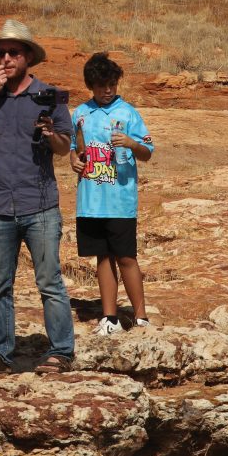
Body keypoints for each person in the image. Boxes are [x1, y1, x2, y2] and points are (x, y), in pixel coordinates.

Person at [0, 18, 75, 373]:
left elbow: (62, 148)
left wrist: (49, 132)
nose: (7, 59)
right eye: (2, 54)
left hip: (39, 205)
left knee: (49, 282)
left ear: (28, 57)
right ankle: (0, 352)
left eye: (14, 52)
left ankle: (60, 351)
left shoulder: (48, 96)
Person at [69, 52, 155, 335]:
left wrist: (131, 143)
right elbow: (74, 146)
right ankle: (111, 318)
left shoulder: (128, 113)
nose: (108, 90)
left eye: (112, 84)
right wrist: (73, 158)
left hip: (120, 201)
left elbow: (147, 154)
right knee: (102, 258)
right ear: (90, 85)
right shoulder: (80, 113)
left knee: (126, 256)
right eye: (101, 85)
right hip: (91, 201)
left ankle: (141, 317)